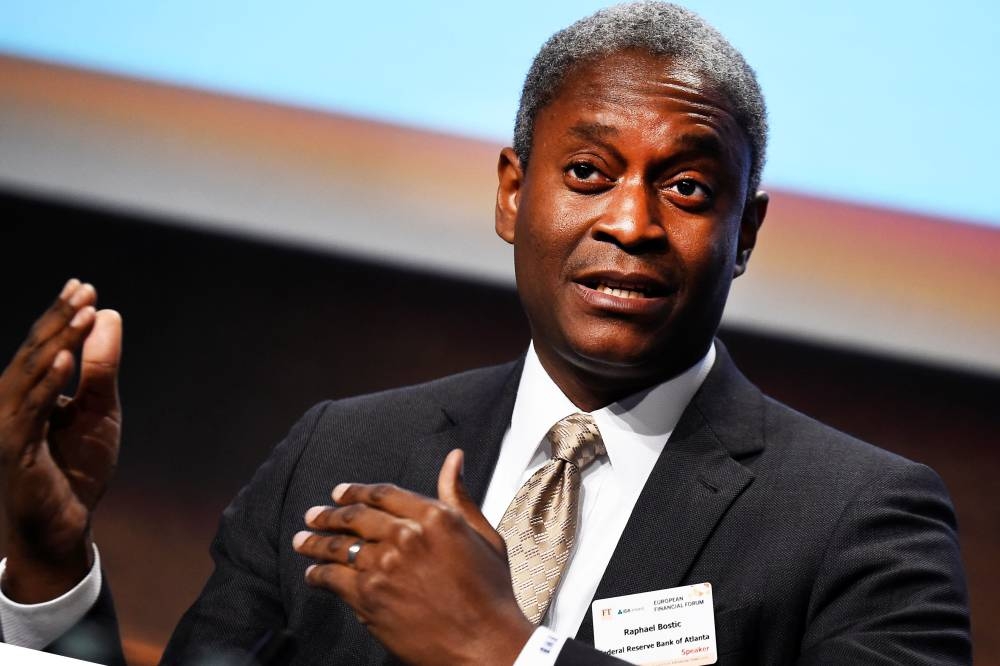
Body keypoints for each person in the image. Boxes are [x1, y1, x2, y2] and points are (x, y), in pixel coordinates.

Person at [0, 3, 971, 665]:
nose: (631, 222)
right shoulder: (338, 450)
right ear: (512, 194)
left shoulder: (859, 521)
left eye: (685, 187)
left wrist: (506, 650)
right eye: (587, 174)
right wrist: (50, 566)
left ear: (743, 234)